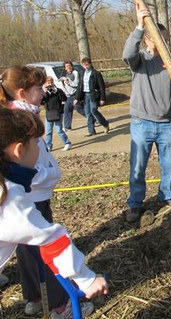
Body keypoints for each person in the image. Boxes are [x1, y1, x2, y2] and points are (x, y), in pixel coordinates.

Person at [0, 65, 96, 317]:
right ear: (22, 93)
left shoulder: (14, 119)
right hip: (34, 198)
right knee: (43, 255)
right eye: (37, 88)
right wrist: (87, 280)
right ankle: (58, 305)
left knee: (29, 254)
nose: (43, 92)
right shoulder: (20, 126)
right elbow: (52, 241)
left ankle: (34, 298)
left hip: (33, 195)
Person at [122, 5, 171, 223]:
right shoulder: (140, 60)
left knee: (170, 165)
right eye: (158, 39)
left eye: (166, 39)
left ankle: (167, 199)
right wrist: (139, 25)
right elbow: (126, 54)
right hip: (142, 123)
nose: (163, 43)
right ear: (148, 39)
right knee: (138, 167)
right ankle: (136, 204)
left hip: (166, 124)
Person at [74, 57, 110, 137]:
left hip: (93, 95)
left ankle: (105, 123)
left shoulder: (96, 74)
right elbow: (80, 86)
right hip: (85, 95)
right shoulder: (82, 73)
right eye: (84, 65)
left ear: (90, 64)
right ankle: (91, 130)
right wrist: (77, 98)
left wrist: (102, 98)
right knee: (88, 113)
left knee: (94, 110)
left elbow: (101, 87)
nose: (86, 67)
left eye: (87, 65)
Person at [41, 76, 72, 151]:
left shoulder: (58, 91)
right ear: (45, 83)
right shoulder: (44, 93)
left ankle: (67, 143)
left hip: (58, 112)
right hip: (49, 113)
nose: (50, 84)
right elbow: (41, 102)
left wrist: (57, 91)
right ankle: (49, 145)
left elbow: (64, 99)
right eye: (48, 82)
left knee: (59, 130)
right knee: (48, 131)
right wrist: (45, 92)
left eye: (51, 82)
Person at [59, 60, 85, 131]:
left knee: (79, 109)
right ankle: (67, 127)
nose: (68, 67)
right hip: (69, 96)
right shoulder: (67, 74)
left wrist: (67, 81)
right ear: (65, 68)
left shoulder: (75, 73)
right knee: (67, 109)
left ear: (72, 66)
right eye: (67, 66)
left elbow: (76, 84)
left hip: (76, 94)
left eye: (69, 65)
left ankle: (93, 119)